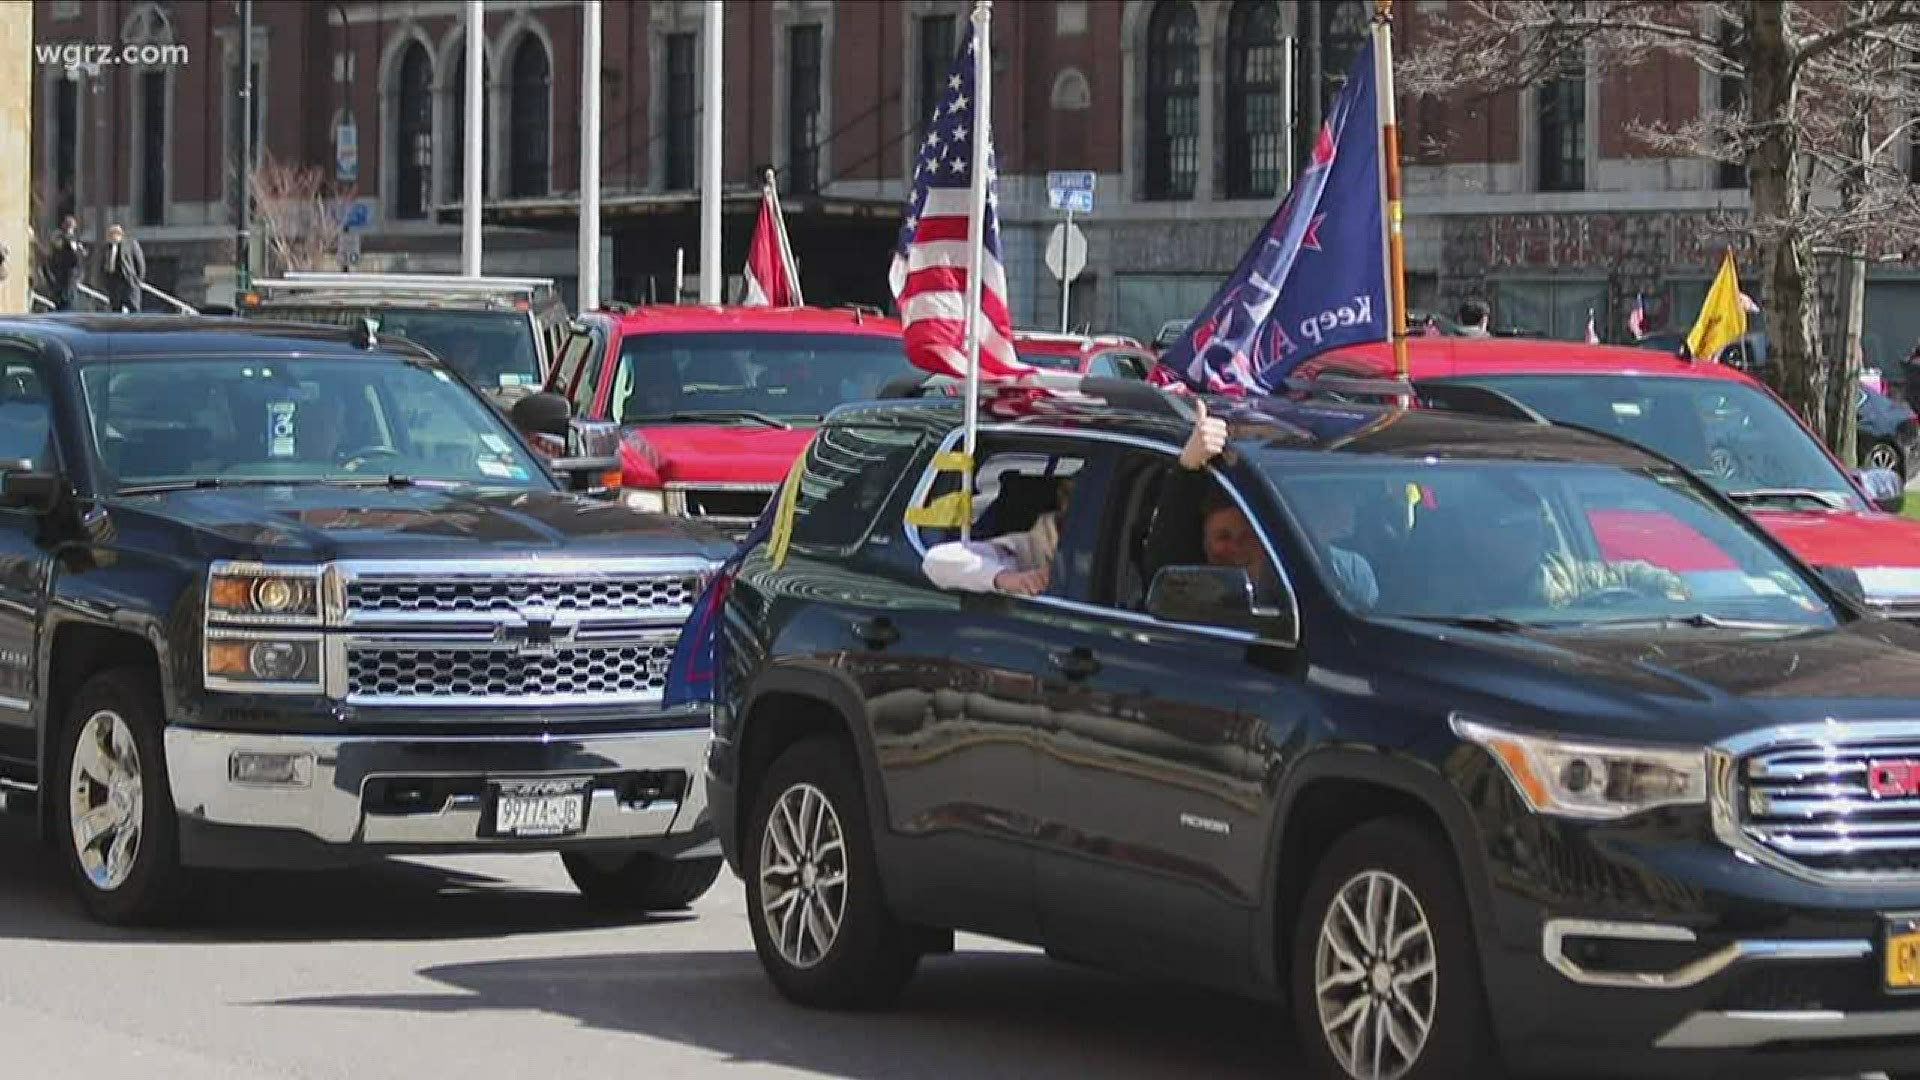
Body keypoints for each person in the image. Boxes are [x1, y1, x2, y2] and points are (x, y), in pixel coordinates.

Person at [923, 408, 1230, 597]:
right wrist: (1007, 580)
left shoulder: (1129, 537)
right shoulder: (1034, 545)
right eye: (1073, 495)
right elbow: (939, 561)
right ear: (1063, 500)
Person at [98, 223, 146, 313]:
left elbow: (140, 262)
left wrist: (137, 280)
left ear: (119, 234)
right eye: (109, 235)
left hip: (128, 281)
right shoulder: (107, 247)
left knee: (133, 308)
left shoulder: (131, 244)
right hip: (114, 282)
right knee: (116, 308)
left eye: (113, 234)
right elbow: (102, 264)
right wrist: (104, 280)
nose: (111, 237)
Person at [45, 216, 84, 312]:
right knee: (61, 303)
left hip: (70, 278)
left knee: (68, 303)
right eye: (68, 226)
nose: (69, 230)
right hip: (60, 277)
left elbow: (78, 258)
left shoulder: (75, 240)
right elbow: (55, 252)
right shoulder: (59, 238)